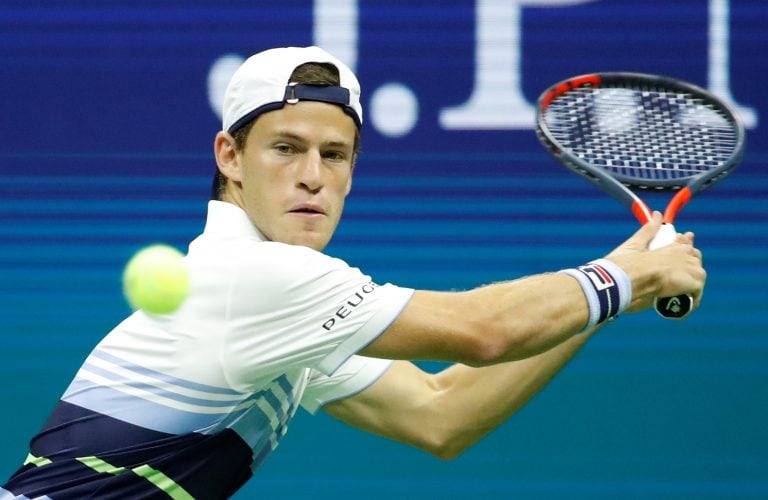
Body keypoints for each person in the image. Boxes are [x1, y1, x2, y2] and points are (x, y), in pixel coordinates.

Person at [1, 46, 705, 499]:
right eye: (285, 147)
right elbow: (483, 331)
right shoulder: (260, 278)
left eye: (335, 156)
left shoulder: (281, 309)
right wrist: (627, 277)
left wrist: (616, 290)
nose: (312, 177)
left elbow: (441, 414)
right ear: (228, 156)